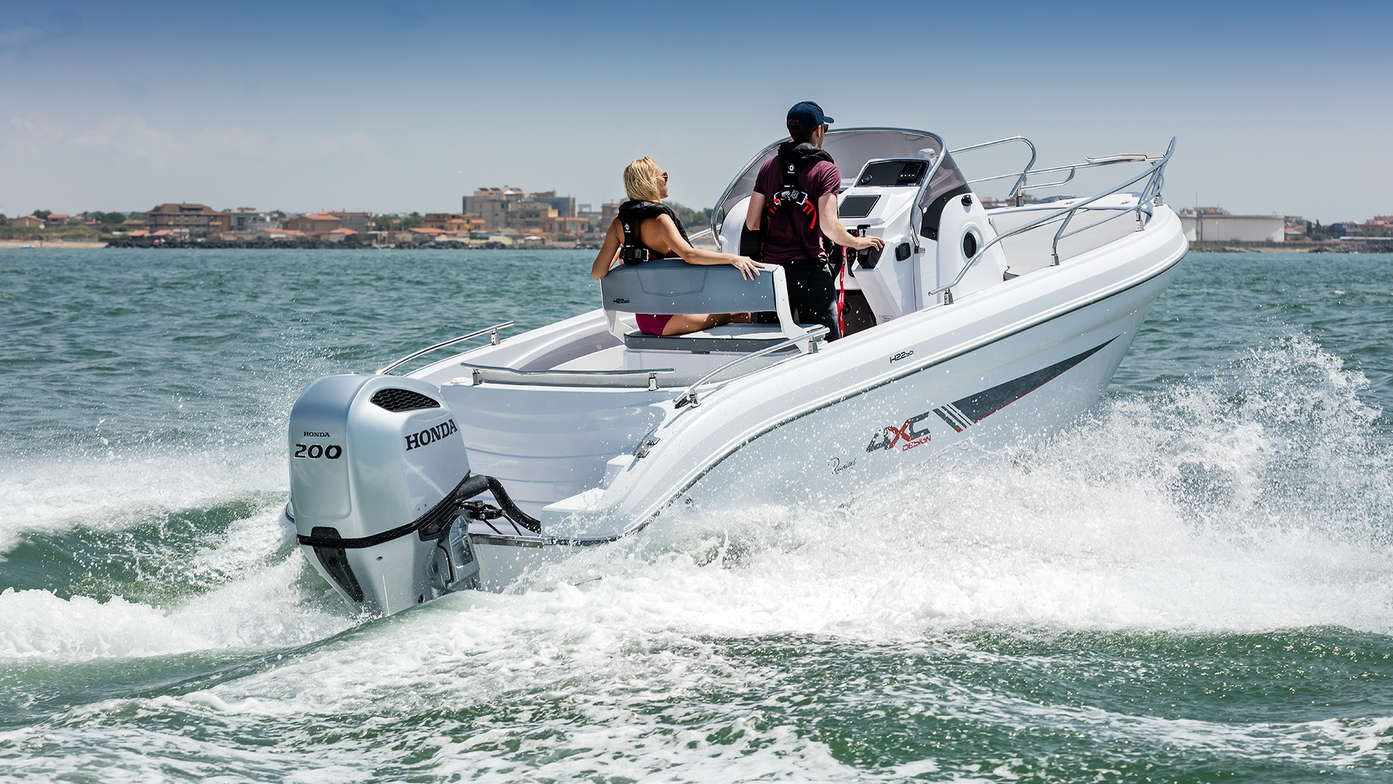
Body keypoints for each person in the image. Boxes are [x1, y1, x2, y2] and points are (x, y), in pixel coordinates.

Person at [741, 101, 883, 340]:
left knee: (774, 343)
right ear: (819, 130)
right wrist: (858, 243)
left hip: (773, 273)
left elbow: (752, 223)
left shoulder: (769, 167)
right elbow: (829, 226)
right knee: (825, 346)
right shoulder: (825, 170)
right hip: (810, 272)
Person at [591, 156, 762, 336]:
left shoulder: (618, 224)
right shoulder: (660, 220)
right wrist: (734, 258)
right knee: (741, 314)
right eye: (662, 175)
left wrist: (624, 248)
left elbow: (597, 273)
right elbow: (689, 255)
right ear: (649, 182)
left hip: (645, 321)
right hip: (670, 319)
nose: (666, 178)